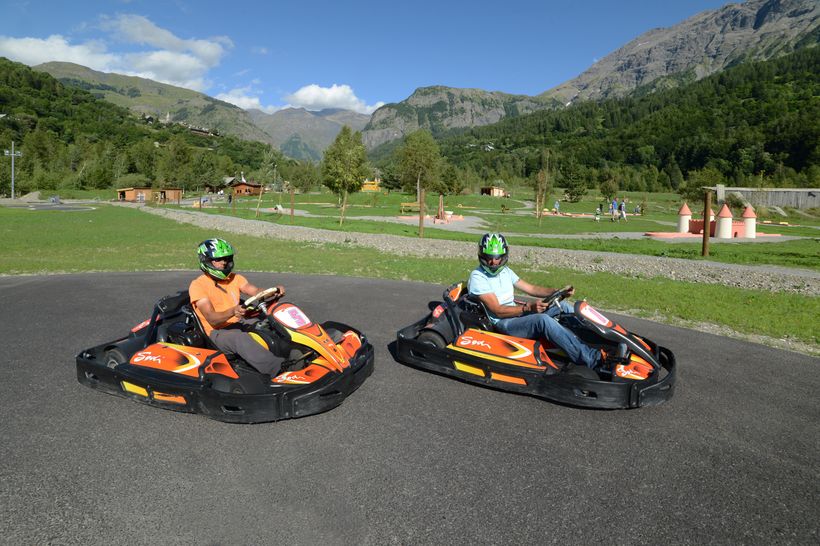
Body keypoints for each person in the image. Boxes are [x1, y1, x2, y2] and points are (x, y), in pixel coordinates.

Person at [468, 233, 623, 369]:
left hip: (516, 314)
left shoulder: (506, 272)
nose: (494, 263)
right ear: (482, 256)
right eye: (489, 258)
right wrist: (528, 309)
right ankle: (593, 359)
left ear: (504, 256)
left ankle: (601, 339)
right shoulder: (478, 277)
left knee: (562, 306)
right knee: (542, 320)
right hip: (503, 323)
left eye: (497, 258)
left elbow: (531, 288)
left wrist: (557, 291)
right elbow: (497, 310)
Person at [189, 238, 285, 375]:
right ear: (206, 261)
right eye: (218, 259)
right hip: (216, 333)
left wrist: (273, 290)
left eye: (226, 258)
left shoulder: (235, 278)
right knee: (240, 338)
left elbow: (255, 291)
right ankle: (280, 370)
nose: (224, 263)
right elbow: (212, 318)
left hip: (239, 322)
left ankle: (298, 352)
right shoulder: (198, 285)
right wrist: (233, 311)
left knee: (268, 323)